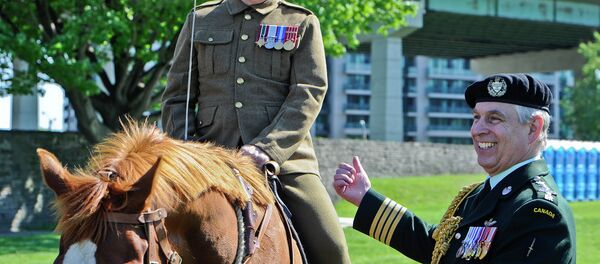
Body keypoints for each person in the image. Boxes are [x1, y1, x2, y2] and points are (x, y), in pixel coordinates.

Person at [161, 0, 350, 263]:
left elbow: (308, 93)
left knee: (333, 248)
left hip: (285, 162)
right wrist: (192, 155)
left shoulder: (300, 21)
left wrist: (267, 149)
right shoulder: (201, 18)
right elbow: (177, 96)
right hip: (209, 160)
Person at [334, 74, 576, 263]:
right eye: (476, 117)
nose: (477, 129)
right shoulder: (480, 194)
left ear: (533, 128)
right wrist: (366, 198)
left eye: (494, 119)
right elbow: (437, 248)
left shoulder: (537, 211)